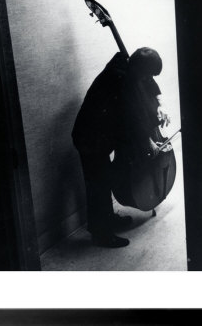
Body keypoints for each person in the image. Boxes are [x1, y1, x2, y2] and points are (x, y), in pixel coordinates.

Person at [72, 48, 170, 248]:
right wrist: (146, 141)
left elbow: (148, 82)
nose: (148, 78)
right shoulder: (120, 80)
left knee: (104, 178)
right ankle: (101, 235)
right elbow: (131, 118)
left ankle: (107, 218)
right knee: (98, 184)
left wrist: (160, 103)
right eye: (147, 74)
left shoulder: (128, 62)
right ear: (138, 69)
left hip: (104, 132)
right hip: (90, 136)